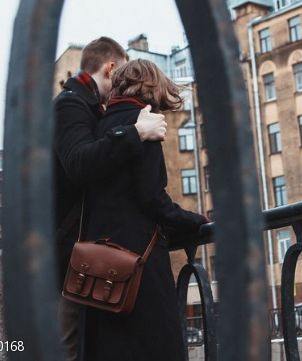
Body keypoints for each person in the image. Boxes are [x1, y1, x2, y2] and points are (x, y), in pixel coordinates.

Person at [82, 59, 207, 361]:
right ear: (152, 86)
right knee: (155, 344)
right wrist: (194, 220)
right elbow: (152, 198)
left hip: (99, 264)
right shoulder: (145, 125)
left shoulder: (100, 126)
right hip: (138, 265)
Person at [54, 38, 168, 361]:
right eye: (119, 76)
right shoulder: (71, 103)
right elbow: (79, 163)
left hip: (85, 250)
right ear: (111, 68)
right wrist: (136, 132)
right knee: (68, 345)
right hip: (69, 253)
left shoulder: (87, 105)